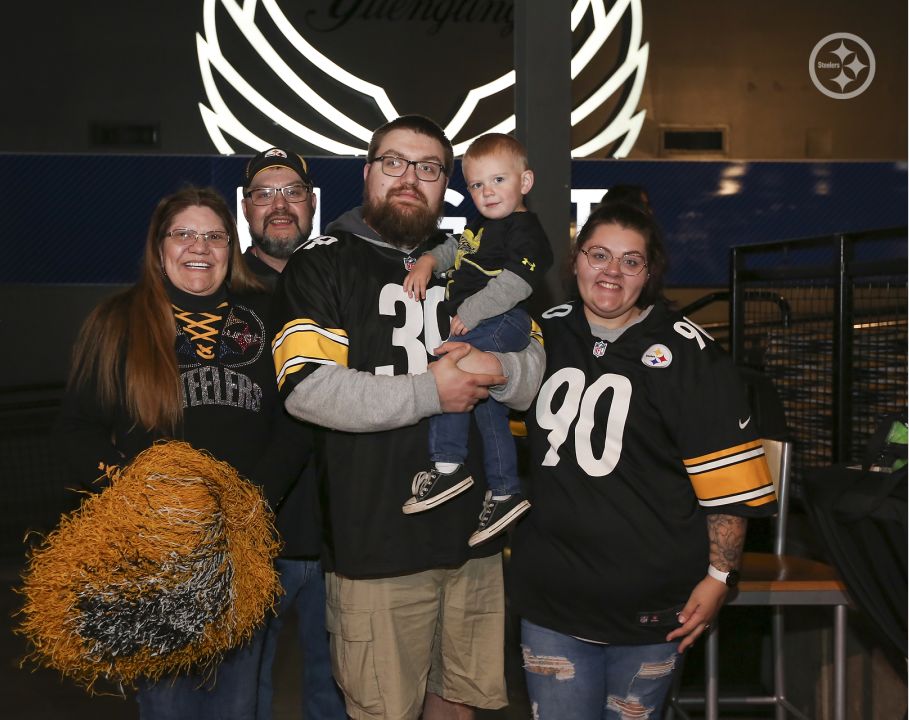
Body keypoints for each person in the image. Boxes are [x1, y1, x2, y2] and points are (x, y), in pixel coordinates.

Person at [271, 114, 545, 720]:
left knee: (459, 708)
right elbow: (309, 390)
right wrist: (433, 391)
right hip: (376, 544)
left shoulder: (474, 257)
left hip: (473, 540)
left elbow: (536, 375)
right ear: (368, 173)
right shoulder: (322, 262)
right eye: (393, 163)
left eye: (427, 168)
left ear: (446, 184)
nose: (408, 178)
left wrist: (500, 373)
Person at [501, 201, 777, 720]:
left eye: (630, 261)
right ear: (576, 260)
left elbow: (730, 485)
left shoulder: (692, 357)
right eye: (599, 255)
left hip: (656, 605)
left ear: (649, 274)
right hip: (553, 600)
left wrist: (720, 577)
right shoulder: (542, 334)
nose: (611, 271)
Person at [55, 186, 307, 720]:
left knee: (236, 706)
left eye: (214, 235)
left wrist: (248, 506)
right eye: (184, 234)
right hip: (153, 557)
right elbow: (76, 432)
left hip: (239, 554)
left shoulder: (268, 312)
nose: (200, 246)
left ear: (231, 245)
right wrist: (143, 498)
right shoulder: (117, 321)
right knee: (168, 708)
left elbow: (297, 424)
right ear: (159, 245)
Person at [400, 132, 553, 546]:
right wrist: (430, 261)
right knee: (489, 412)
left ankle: (447, 465)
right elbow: (456, 248)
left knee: (451, 374)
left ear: (525, 182)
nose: (487, 192)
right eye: (477, 185)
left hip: (503, 320)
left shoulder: (524, 230)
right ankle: (505, 491)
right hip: (488, 322)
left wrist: (469, 312)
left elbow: (518, 283)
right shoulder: (484, 226)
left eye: (498, 181)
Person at [238, 146, 347, 720]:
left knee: (335, 694)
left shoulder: (342, 285)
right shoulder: (221, 297)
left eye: (293, 193)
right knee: (240, 694)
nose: (280, 205)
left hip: (338, 534)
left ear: (312, 204)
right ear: (246, 208)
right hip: (252, 536)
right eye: (265, 194)